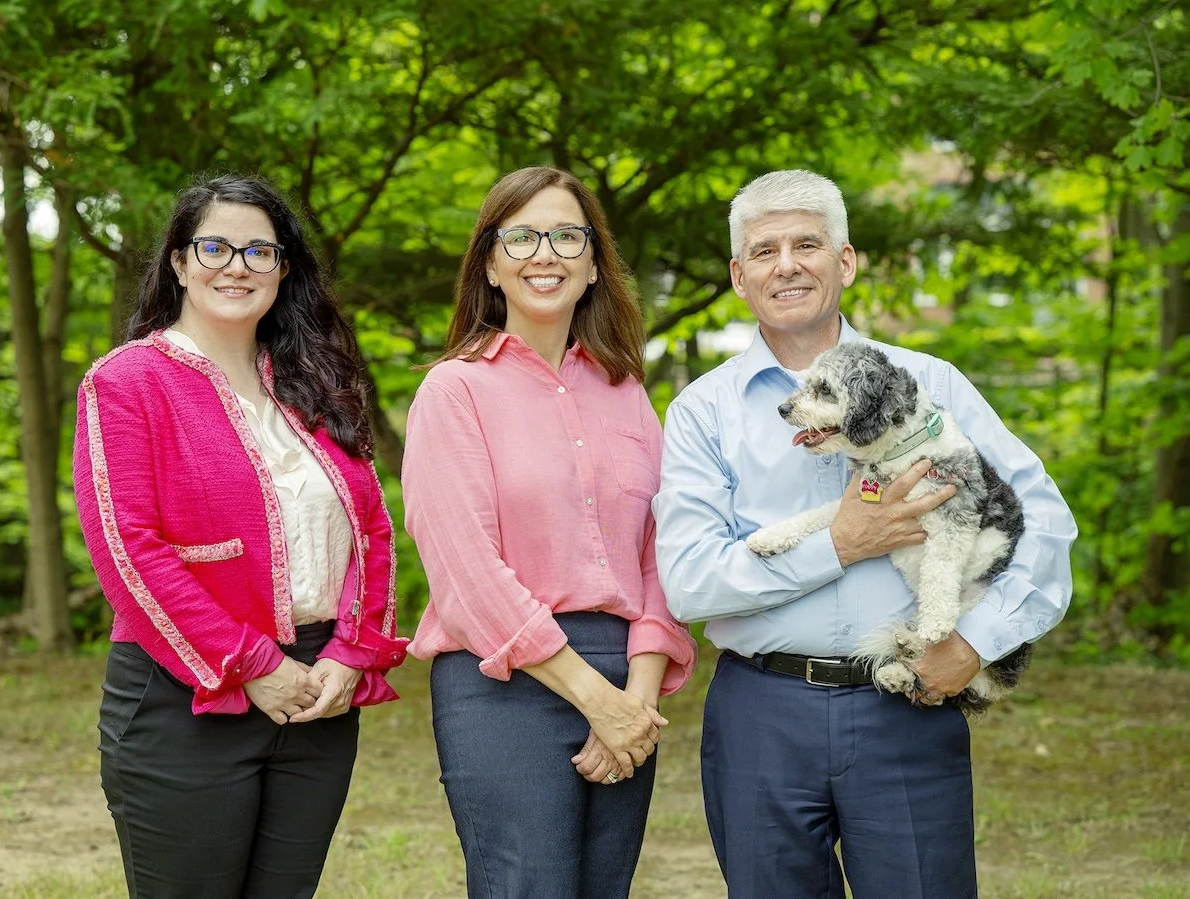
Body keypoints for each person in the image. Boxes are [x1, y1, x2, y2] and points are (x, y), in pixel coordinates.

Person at [653, 169, 1077, 898]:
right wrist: (840, 542)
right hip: (762, 714)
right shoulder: (702, 410)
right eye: (764, 250)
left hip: (906, 708)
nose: (786, 264)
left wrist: (976, 644)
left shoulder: (932, 383)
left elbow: (1046, 524)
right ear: (738, 275)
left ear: (844, 261)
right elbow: (691, 579)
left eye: (807, 243)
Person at [73, 174, 409, 899]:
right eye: (216, 246)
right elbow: (128, 550)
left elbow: (372, 529)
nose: (237, 265)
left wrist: (353, 651)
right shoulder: (128, 381)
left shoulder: (315, 378)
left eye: (260, 249)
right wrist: (252, 663)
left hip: (319, 694)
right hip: (184, 699)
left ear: (284, 268)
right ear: (179, 261)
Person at [401, 166, 698, 898]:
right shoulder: (454, 390)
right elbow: (467, 573)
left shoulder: (628, 393)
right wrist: (596, 700)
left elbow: (664, 551)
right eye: (522, 236)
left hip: (627, 677)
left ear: (594, 263)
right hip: (505, 684)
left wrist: (634, 697)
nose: (546, 252)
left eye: (568, 235)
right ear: (492, 265)